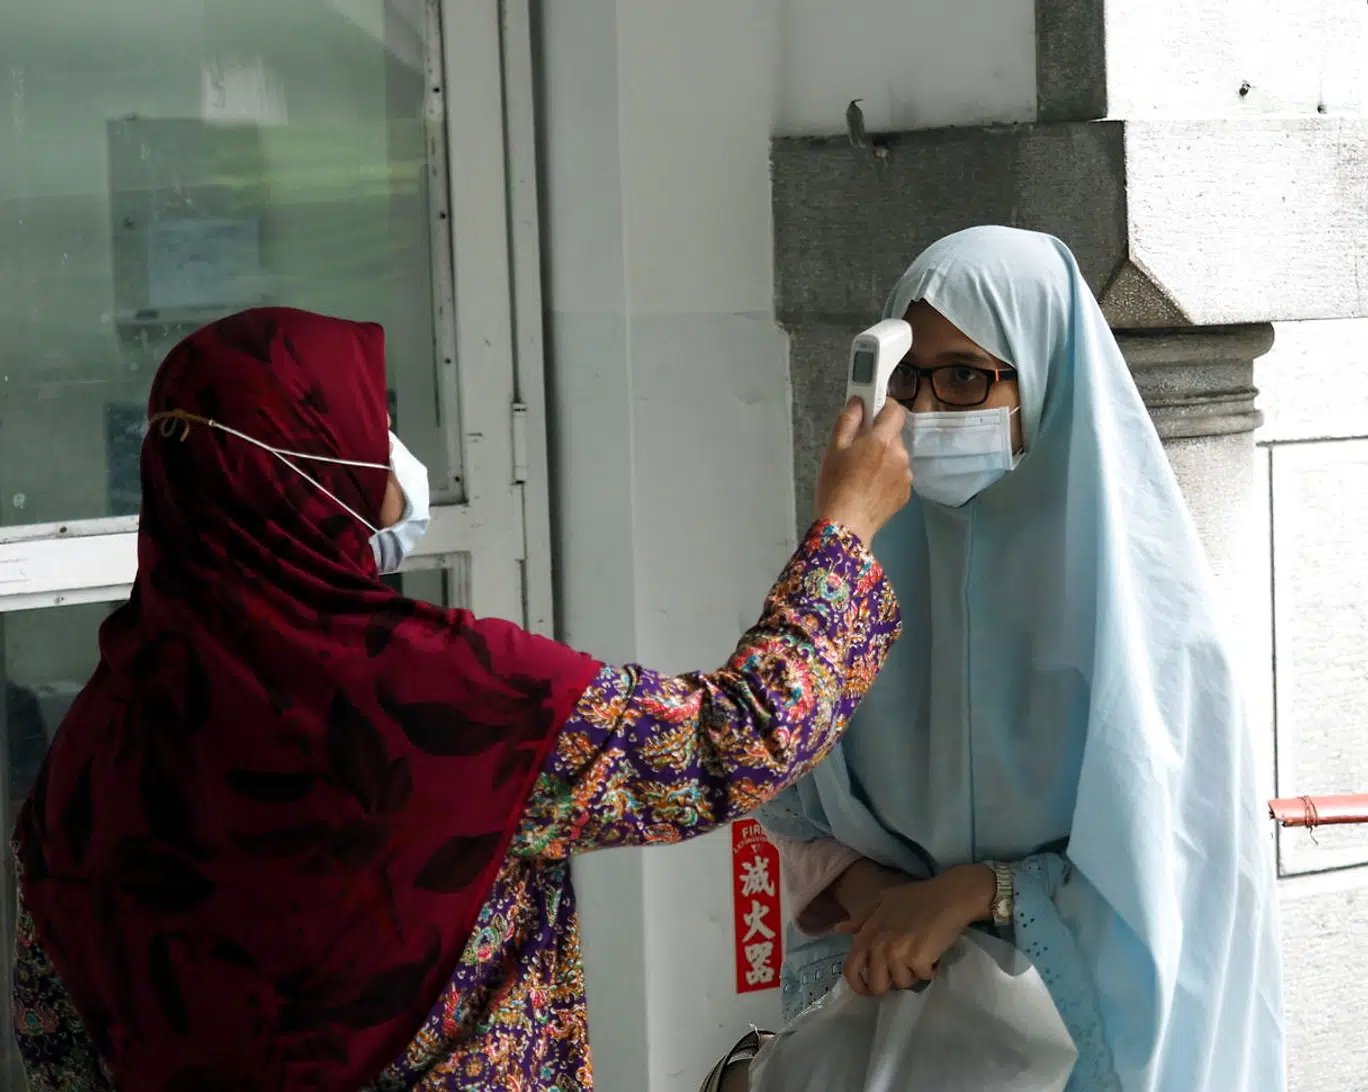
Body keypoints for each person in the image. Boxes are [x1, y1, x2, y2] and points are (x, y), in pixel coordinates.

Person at [8, 307, 912, 1091]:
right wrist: (847, 528)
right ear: (308, 474)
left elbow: (56, 1045)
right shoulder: (446, 700)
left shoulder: (85, 763)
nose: (395, 455)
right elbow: (735, 740)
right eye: (374, 424)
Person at [735, 226, 1284, 1091]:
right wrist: (878, 899)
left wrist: (976, 895)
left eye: (965, 379)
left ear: (1051, 380)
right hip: (898, 1032)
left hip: (1082, 1048)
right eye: (906, 380)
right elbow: (784, 797)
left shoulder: (1149, 624)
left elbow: (1182, 874)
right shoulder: (856, 577)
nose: (926, 411)